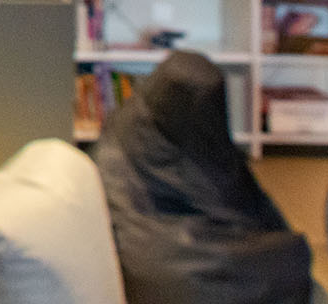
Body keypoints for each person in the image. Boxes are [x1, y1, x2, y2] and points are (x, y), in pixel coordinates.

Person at [94, 50, 312, 304]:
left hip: (185, 244)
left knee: (284, 259)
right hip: (170, 259)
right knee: (288, 262)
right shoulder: (127, 148)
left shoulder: (133, 123)